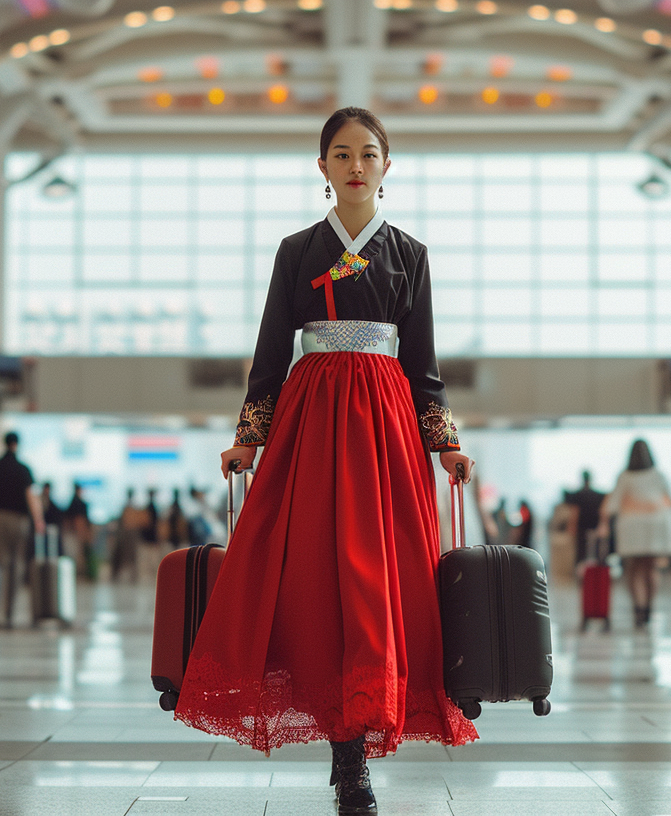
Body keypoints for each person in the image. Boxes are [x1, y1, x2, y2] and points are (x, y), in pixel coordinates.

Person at [174, 107, 478, 815]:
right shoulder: (297, 250)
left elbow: (424, 364)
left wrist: (446, 442)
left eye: (368, 154)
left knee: (378, 574)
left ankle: (357, 749)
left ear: (385, 167)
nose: (354, 165)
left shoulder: (411, 254)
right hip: (311, 417)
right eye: (341, 154)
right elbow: (271, 350)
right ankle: (345, 748)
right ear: (322, 169)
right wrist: (250, 435)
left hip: (384, 419)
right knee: (314, 571)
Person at [597, 439, 671, 628]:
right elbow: (670, 501)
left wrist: (604, 523)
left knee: (634, 570)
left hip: (631, 526)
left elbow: (612, 504)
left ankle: (638, 609)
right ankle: (650, 607)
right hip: (656, 525)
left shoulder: (625, 476)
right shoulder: (659, 475)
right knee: (651, 568)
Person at [0, 432, 44, 627]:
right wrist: (38, 520)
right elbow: (31, 497)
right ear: (17, 445)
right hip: (19, 520)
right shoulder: (24, 469)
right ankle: (9, 612)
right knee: (17, 565)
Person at [568, 470, 606, 563]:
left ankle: (582, 575)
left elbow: (575, 513)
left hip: (582, 527)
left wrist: (572, 527)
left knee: (581, 553)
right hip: (595, 526)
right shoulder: (598, 495)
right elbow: (602, 512)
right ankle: (593, 575)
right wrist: (603, 525)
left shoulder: (578, 495)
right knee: (596, 554)